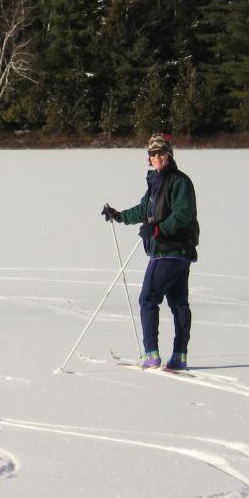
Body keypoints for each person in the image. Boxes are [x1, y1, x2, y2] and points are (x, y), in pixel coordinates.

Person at [101, 134, 199, 370]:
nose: (157, 157)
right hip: (169, 251)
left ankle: (151, 354)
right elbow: (144, 209)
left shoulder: (179, 181)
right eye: (152, 154)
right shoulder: (155, 183)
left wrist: (157, 230)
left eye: (161, 152)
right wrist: (119, 215)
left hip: (172, 250)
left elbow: (182, 214)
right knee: (178, 303)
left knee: (148, 299)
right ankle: (179, 357)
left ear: (170, 154)